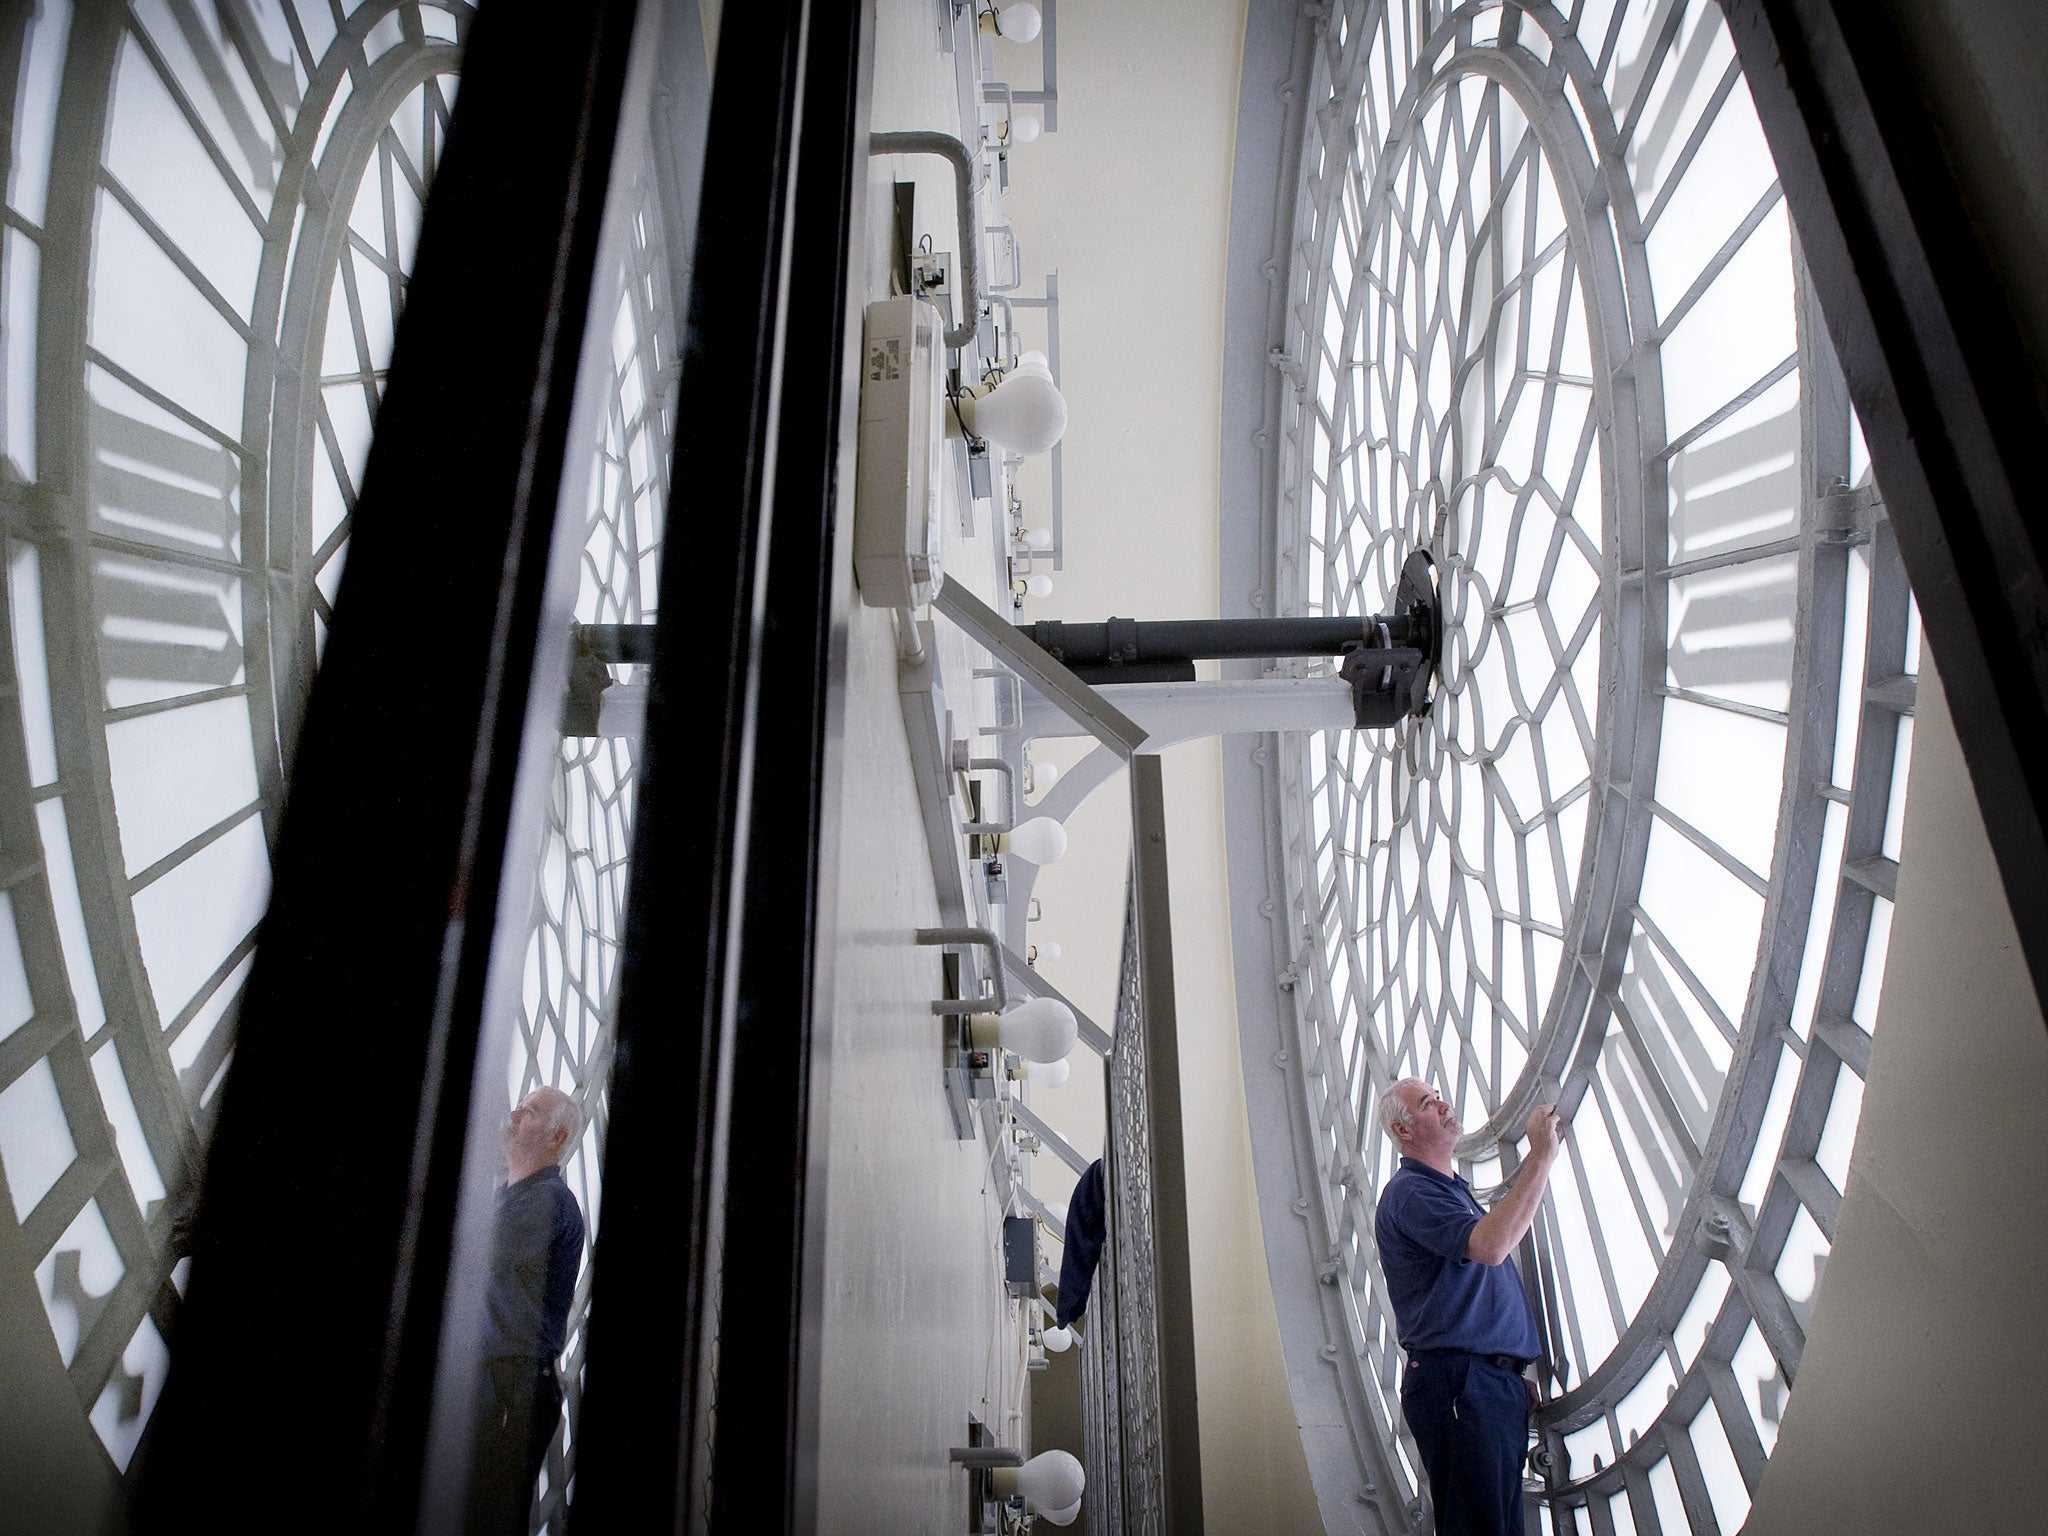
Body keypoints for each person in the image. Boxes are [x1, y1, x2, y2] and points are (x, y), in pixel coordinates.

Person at [1373, 1079, 1563, 1536]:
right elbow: (1492, 1245)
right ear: (1402, 1130)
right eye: (1427, 1103)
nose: (1443, 1105)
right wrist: (1540, 1156)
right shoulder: (1411, 1194)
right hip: (1464, 1384)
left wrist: (1505, 1375)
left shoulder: (1447, 1192)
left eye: (1437, 1096)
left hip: (1478, 1382)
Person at [470, 1085, 585, 1536]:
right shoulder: (514, 1200)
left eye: (532, 1112)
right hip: (499, 1385)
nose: (516, 1114)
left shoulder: (547, 1203)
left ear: (557, 1138)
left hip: (507, 1390)